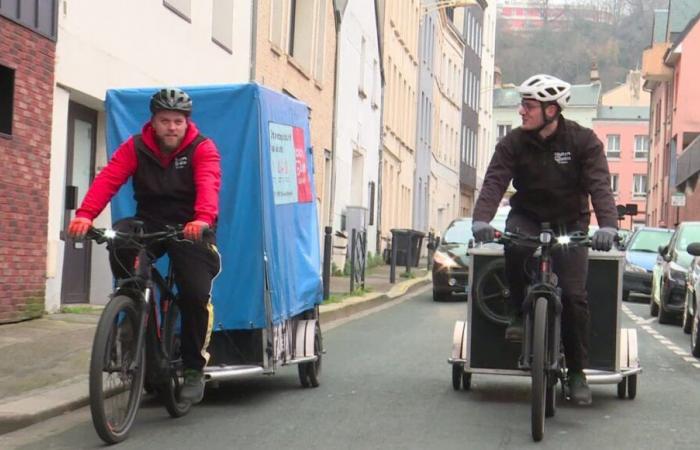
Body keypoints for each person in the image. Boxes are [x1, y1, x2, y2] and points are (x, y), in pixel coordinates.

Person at [66, 88, 222, 404]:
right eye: (165, 120)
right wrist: (84, 215)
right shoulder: (136, 147)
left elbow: (209, 183)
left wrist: (202, 219)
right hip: (149, 221)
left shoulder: (201, 148)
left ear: (186, 122)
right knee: (121, 242)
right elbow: (109, 179)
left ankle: (193, 368)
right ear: (153, 121)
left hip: (191, 227)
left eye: (177, 121)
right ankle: (131, 311)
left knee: (193, 293)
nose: (171, 127)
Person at [471, 74, 618, 406]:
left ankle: (578, 372)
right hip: (528, 216)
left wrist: (608, 226)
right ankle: (516, 311)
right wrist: (480, 220)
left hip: (571, 221)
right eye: (522, 104)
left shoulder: (583, 142)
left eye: (529, 106)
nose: (521, 111)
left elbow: (600, 186)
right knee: (515, 245)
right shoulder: (513, 143)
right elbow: (495, 181)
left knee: (575, 295)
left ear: (551, 111)